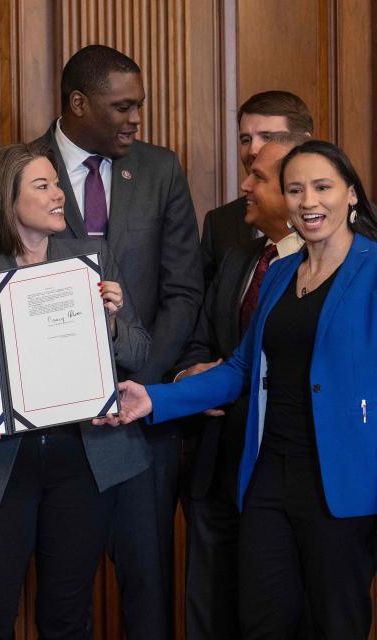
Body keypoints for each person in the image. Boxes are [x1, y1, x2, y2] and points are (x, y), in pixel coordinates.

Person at [97, 140, 377, 639]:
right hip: (268, 474)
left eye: (322, 187)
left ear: (351, 195)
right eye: (295, 190)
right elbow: (241, 368)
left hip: (343, 481)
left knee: (338, 624)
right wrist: (154, 398)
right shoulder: (282, 272)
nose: (308, 201)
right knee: (262, 621)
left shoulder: (373, 270)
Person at [0, 142, 152, 638]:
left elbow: (140, 353)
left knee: (66, 617)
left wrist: (114, 322)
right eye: (43, 186)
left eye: (57, 183)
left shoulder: (91, 259)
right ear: (5, 200)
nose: (60, 194)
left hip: (82, 463)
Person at [32, 44, 203, 636]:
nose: (135, 119)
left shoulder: (160, 168)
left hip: (141, 419)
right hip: (52, 426)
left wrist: (142, 382)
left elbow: (184, 291)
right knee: (61, 594)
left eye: (140, 106)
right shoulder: (20, 167)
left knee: (148, 588)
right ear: (79, 103)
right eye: (122, 106)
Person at [176, 133, 306, 639]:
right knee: (212, 612)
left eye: (258, 177)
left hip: (290, 473)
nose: (244, 185)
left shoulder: (330, 267)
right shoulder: (240, 259)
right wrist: (191, 376)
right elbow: (203, 339)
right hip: (218, 469)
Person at [200, 91, 313, 285]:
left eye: (268, 137)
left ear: (303, 142)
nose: (253, 150)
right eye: (246, 140)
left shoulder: (344, 225)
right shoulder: (220, 223)